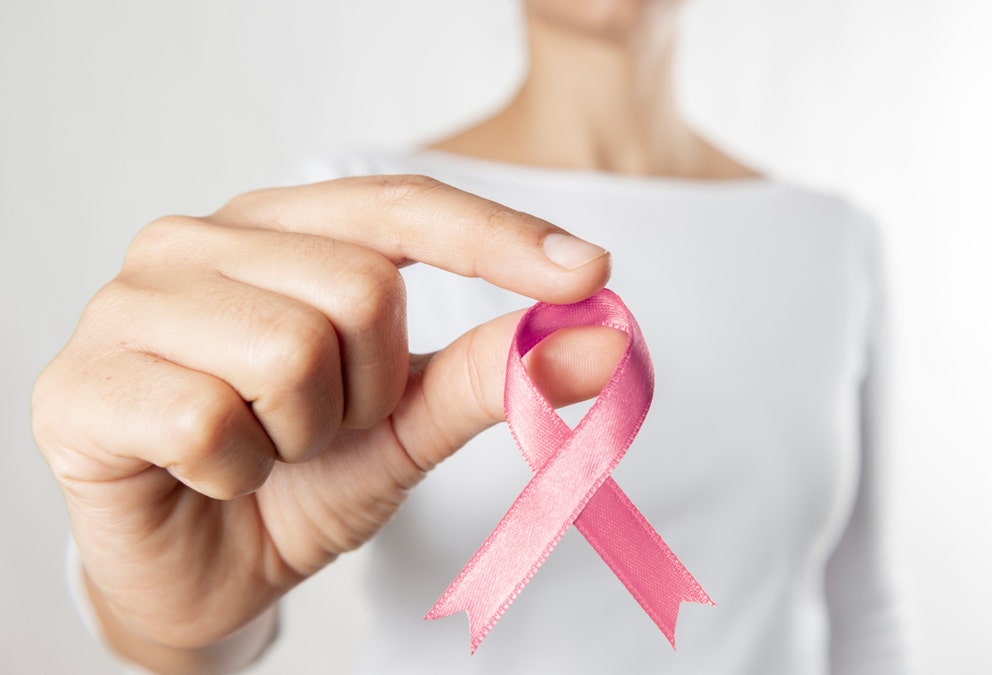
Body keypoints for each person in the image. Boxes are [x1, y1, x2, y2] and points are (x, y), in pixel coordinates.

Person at [33, 1, 910, 673]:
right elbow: (200, 596)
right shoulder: (364, 213)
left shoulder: (829, 240)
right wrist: (177, 618)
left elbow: (860, 606)